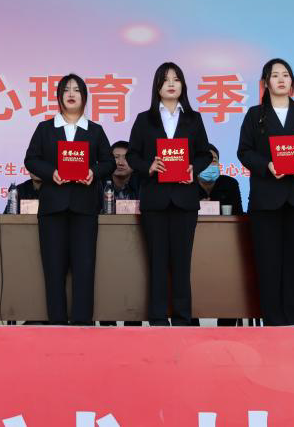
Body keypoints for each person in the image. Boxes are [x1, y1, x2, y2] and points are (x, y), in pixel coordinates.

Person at [237, 58, 294, 326]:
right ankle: (273, 321)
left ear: (292, 82)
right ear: (266, 83)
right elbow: (244, 151)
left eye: (286, 75)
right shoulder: (255, 115)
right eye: (275, 75)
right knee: (268, 263)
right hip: (266, 199)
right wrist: (267, 166)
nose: (281, 79)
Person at [24, 74, 114, 326]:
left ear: (84, 97)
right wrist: (50, 172)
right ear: (59, 97)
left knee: (84, 268)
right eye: (66, 90)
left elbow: (108, 162)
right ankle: (57, 324)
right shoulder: (45, 129)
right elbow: (31, 159)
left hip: (84, 207)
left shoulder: (95, 130)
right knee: (54, 269)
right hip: (53, 207)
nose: (71, 94)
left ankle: (83, 323)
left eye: (76, 90)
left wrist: (93, 172)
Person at [127, 62, 212, 326]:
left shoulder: (194, 119)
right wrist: (149, 166)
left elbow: (205, 153)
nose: (172, 84)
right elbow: (131, 155)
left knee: (182, 262)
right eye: (166, 80)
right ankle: (157, 318)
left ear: (183, 85)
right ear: (157, 87)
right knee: (157, 261)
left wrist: (193, 168)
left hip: (185, 200)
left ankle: (183, 318)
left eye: (176, 79)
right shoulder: (145, 119)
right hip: (155, 200)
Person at [198, 144, 243, 214]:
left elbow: (238, 214)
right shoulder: (188, 186)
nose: (209, 164)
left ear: (219, 164)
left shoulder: (230, 184)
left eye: (214, 161)